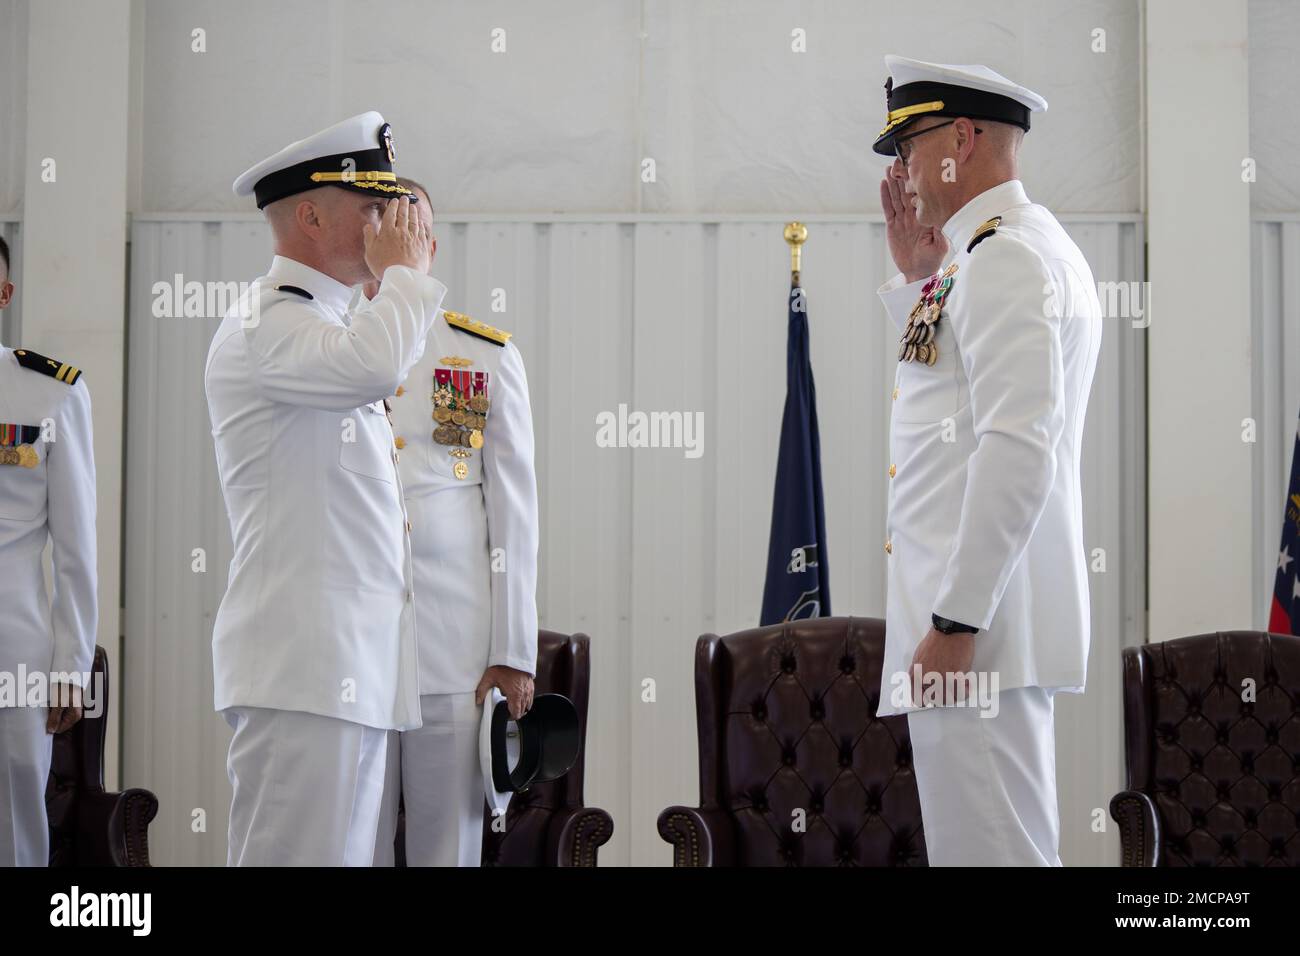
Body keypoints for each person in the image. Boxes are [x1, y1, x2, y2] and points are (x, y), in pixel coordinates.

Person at [871, 56, 1103, 865]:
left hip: (977, 639)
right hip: (982, 637)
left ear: (961, 139)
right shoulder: (993, 251)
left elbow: (1016, 447)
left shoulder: (1002, 257)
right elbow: (958, 403)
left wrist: (954, 621)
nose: (900, 170)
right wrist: (917, 281)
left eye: (908, 146)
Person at [205, 112, 444, 865]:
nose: (390, 225)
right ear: (309, 215)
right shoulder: (269, 322)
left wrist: (393, 285)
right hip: (303, 673)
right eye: (373, 208)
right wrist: (405, 275)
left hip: (345, 673)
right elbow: (372, 369)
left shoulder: (330, 322)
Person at [369, 178, 539, 867]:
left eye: (416, 227)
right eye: (389, 225)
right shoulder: (332, 352)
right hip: (358, 652)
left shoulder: (483, 355)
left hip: (454, 650)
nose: (404, 240)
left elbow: (515, 509)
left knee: (447, 852)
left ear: (430, 247)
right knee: (354, 848)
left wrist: (514, 650)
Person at [0, 235, 97, 866]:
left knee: (14, 816)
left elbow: (76, 544)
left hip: (12, 645)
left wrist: (70, 662)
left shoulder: (47, 391)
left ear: (3, 295)